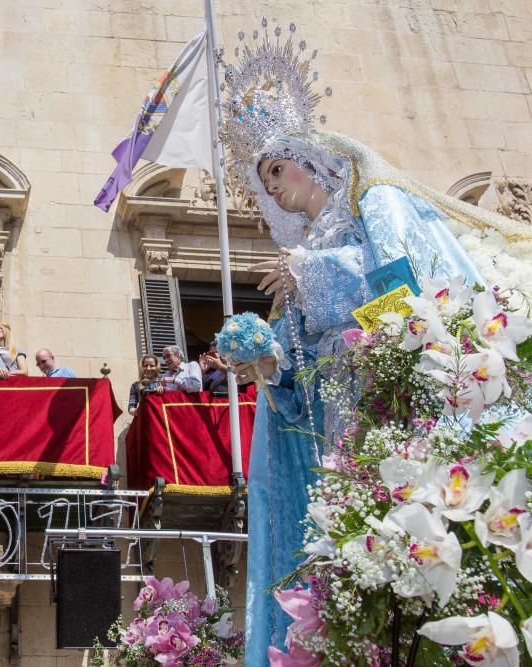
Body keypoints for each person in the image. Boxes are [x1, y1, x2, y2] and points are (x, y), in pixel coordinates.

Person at [217, 25, 530, 665]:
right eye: (264, 180)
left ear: (315, 158)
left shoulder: (376, 204)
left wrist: (316, 273)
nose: (273, 187)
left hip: (397, 398)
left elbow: (407, 292)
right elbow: (300, 385)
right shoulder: (298, 261)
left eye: (278, 168)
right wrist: (269, 360)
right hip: (342, 423)